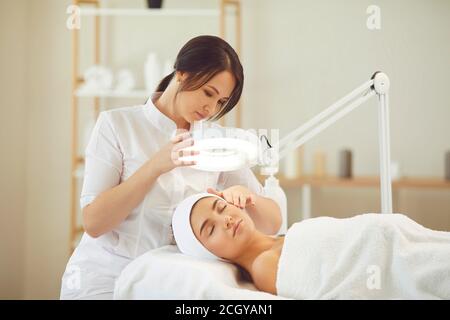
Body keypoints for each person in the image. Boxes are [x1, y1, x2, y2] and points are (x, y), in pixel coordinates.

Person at [60, 35, 282, 300]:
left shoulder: (213, 140)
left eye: (221, 102)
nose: (210, 107)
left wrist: (248, 197)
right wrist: (155, 166)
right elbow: (94, 223)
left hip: (167, 282)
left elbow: (271, 224)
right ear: (182, 74)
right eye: (208, 93)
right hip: (106, 278)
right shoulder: (117, 125)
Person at [172, 191, 450, 299]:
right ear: (208, 253)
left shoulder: (278, 240)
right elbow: (345, 282)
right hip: (393, 257)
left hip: (400, 238)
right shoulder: (264, 266)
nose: (226, 220)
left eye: (221, 207)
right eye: (210, 229)